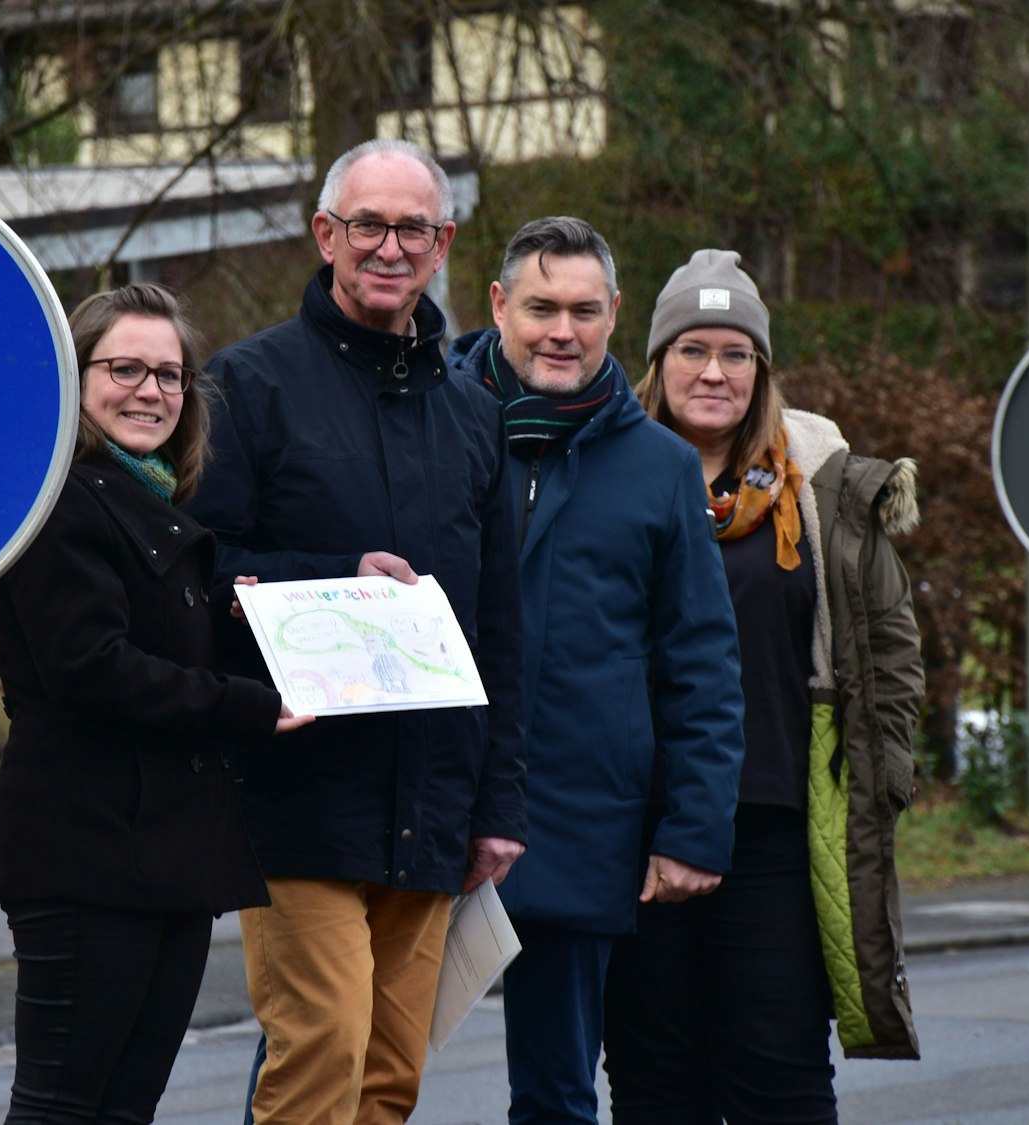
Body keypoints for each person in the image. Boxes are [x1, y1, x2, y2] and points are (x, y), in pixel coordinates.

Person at [186, 138, 526, 1125]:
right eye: (365, 224)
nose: (387, 246)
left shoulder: (473, 414)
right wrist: (336, 582)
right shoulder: (244, 388)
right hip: (297, 795)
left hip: (432, 797)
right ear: (323, 234)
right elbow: (200, 569)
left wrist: (496, 802)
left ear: (442, 244)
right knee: (320, 1050)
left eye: (410, 227)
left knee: (389, 1076)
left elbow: (496, 624)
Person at [0, 283, 312, 1124]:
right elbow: (92, 665)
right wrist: (244, 705)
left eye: (171, 375)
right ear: (75, 380)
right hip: (85, 850)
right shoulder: (58, 501)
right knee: (62, 1105)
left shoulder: (156, 504)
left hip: (164, 854)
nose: (151, 391)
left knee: (123, 1108)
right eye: (125, 368)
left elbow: (171, 644)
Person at [606, 249, 926, 1123]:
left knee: (778, 1076)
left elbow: (890, 651)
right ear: (657, 361)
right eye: (692, 350)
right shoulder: (605, 468)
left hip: (776, 825)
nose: (714, 372)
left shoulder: (817, 486)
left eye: (736, 353)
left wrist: (881, 773)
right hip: (634, 825)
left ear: (762, 368)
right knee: (651, 1079)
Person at [445, 216, 746, 1125]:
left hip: (579, 822)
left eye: (583, 309)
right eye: (540, 307)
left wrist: (697, 825)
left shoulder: (657, 466)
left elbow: (701, 656)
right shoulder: (426, 426)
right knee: (344, 1067)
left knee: (559, 1095)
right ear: (498, 305)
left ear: (615, 314)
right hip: (425, 804)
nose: (560, 331)